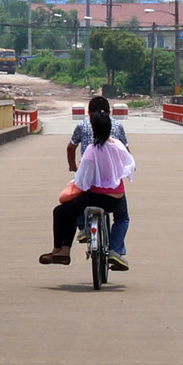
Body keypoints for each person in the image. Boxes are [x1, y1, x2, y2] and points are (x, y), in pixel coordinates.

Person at [40, 109, 135, 266]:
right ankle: (115, 249)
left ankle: (61, 250)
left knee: (61, 211)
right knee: (122, 217)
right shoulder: (117, 145)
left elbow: (83, 179)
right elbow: (130, 164)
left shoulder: (92, 149)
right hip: (116, 197)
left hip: (97, 196)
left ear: (93, 128)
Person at [68, 96, 131, 271]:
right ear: (109, 113)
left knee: (75, 198)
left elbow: (70, 147)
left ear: (88, 113)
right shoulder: (117, 126)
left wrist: (73, 166)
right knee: (122, 217)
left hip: (90, 180)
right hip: (112, 185)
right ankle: (115, 249)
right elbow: (126, 153)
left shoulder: (82, 126)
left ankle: (83, 227)